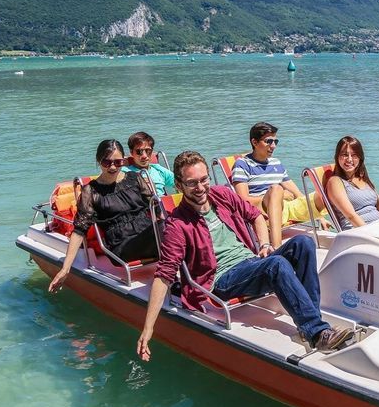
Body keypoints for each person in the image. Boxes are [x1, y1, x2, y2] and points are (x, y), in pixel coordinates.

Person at [137, 151, 352, 360]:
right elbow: (164, 274)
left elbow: (256, 215)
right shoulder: (177, 224)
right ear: (179, 185)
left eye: (204, 180)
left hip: (250, 262)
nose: (201, 188)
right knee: (276, 264)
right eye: (192, 183)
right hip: (221, 280)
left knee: (303, 243)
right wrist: (148, 329)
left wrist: (264, 244)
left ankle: (311, 325)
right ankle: (317, 333)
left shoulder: (221, 194)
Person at [49, 140, 161, 292]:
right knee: (168, 228)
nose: (113, 167)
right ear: (98, 161)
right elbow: (80, 229)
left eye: (118, 162)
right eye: (107, 162)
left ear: (123, 160)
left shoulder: (135, 178)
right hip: (123, 246)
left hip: (148, 235)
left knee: (176, 225)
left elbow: (156, 208)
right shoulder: (91, 191)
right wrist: (65, 268)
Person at [230, 122, 327, 248]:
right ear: (254, 142)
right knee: (276, 189)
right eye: (268, 141)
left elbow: (298, 195)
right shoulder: (242, 164)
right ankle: (276, 247)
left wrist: (318, 216)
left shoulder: (276, 163)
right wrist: (278, 195)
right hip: (262, 213)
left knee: (326, 191)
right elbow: (242, 201)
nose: (273, 146)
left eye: (276, 141)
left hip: (285, 208)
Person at [121, 131, 175, 197]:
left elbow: (180, 184)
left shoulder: (159, 170)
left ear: (152, 151)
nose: (144, 156)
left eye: (148, 151)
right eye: (139, 152)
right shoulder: (124, 173)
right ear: (131, 152)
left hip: (160, 204)